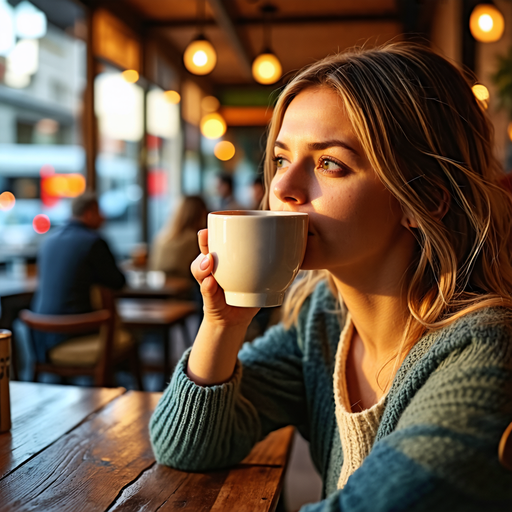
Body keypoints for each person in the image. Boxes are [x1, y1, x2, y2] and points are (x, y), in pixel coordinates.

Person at [149, 43, 512, 512]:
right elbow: (185, 445)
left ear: (420, 199)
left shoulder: (486, 351)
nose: (282, 187)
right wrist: (225, 323)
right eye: (281, 159)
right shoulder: (322, 321)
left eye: (329, 164)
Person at [31, 191, 125, 362]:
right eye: (100, 212)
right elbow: (118, 282)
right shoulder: (93, 242)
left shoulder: (49, 240)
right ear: (89, 213)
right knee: (125, 331)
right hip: (75, 330)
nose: (103, 218)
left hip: (41, 335)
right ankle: (116, 384)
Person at [149, 195, 208, 279]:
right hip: (182, 288)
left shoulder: (162, 236)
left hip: (156, 285)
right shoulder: (194, 239)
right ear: (201, 213)